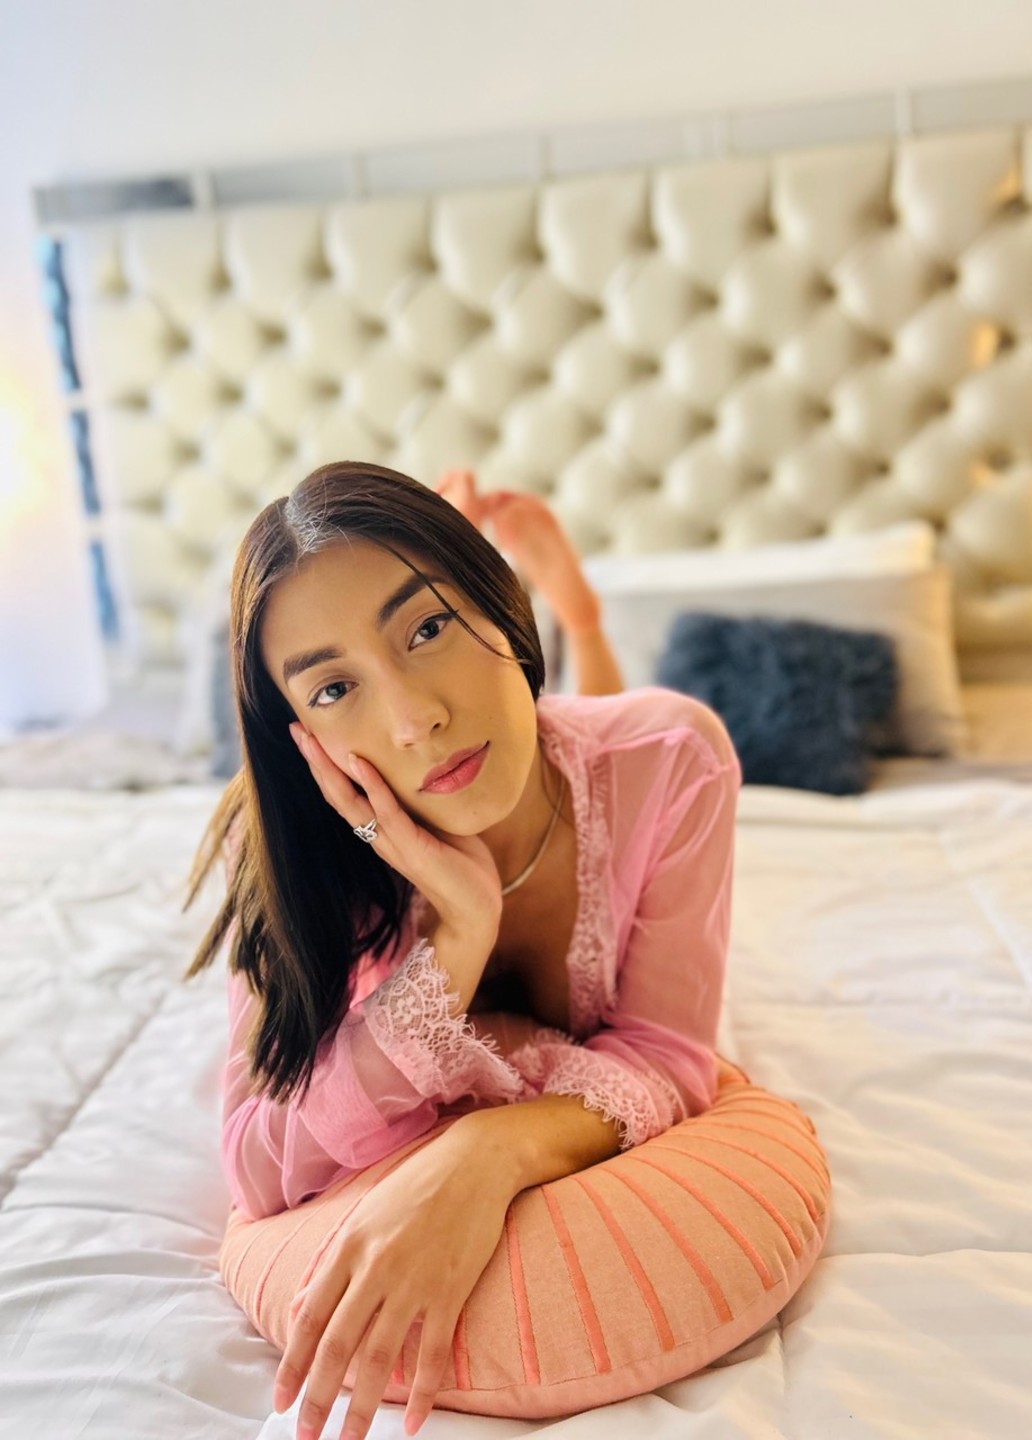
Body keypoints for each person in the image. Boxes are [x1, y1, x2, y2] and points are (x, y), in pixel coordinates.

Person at [185, 460, 740, 1440]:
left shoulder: (674, 760)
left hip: (597, 746)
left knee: (601, 735)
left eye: (428, 628)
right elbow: (260, 1169)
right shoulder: (287, 855)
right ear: (298, 737)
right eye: (334, 687)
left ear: (501, 606)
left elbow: (667, 1050)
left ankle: (579, 613)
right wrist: (456, 938)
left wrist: (491, 1149)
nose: (415, 720)